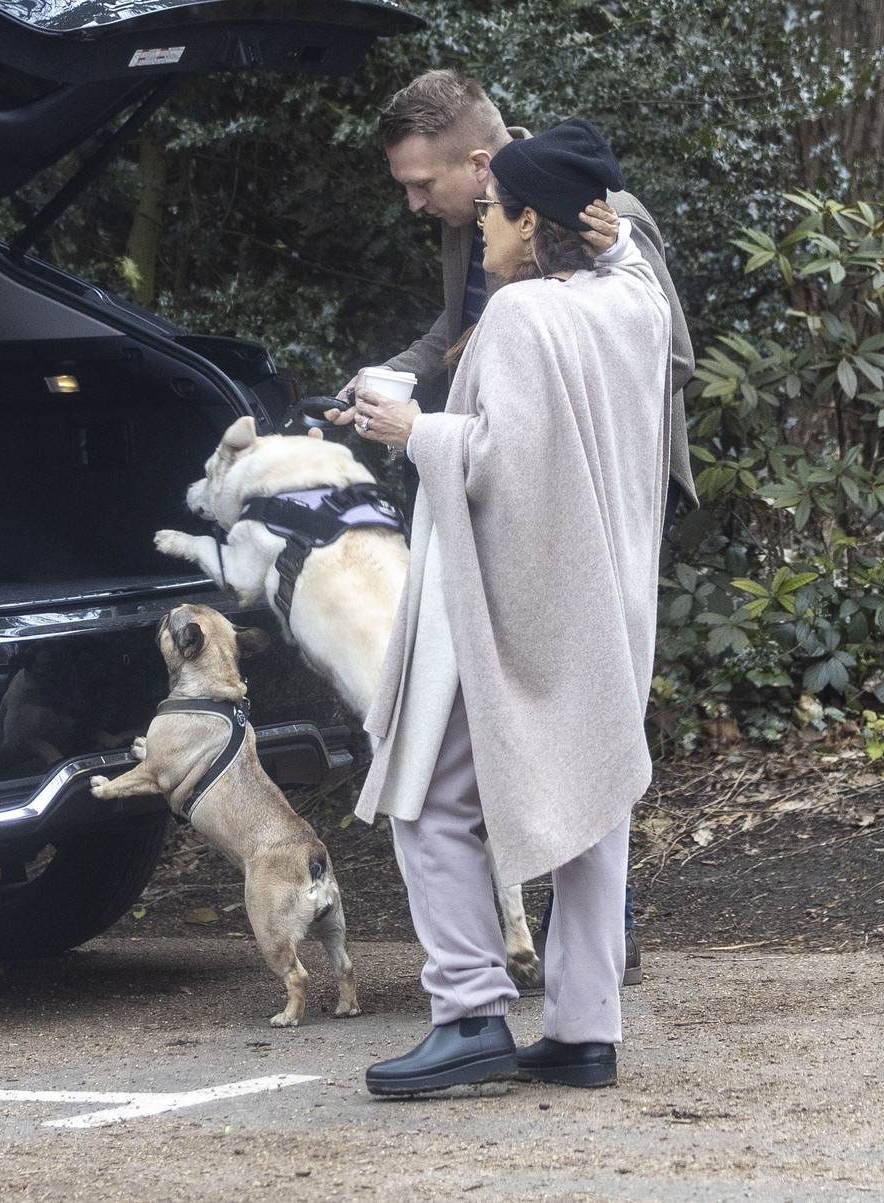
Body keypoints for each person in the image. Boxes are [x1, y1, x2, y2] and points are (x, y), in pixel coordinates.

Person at [333, 118, 672, 1095]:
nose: (478, 228)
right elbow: (629, 259)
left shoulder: (523, 316)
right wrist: (616, 233)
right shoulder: (636, 303)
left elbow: (501, 465)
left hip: (519, 604)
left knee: (428, 797)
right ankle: (583, 1030)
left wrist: (412, 430)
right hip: (608, 605)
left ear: (529, 223)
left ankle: (470, 1011)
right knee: (592, 799)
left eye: (490, 211)